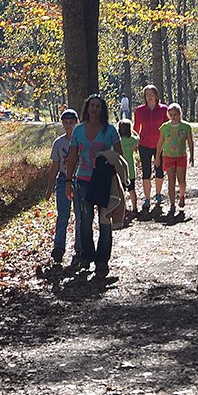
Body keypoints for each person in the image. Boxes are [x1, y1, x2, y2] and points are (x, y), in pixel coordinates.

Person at [65, 94, 123, 278]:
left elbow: (119, 157)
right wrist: (68, 181)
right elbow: (73, 156)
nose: (95, 109)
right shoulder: (78, 131)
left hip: (104, 181)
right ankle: (87, 256)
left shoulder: (110, 130)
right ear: (87, 108)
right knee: (85, 220)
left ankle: (102, 260)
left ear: (102, 109)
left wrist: (122, 181)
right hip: (83, 180)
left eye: (98, 106)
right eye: (92, 106)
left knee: (104, 221)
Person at [45, 108, 78, 264]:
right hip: (63, 179)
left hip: (79, 180)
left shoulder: (82, 140)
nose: (69, 126)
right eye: (66, 123)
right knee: (63, 215)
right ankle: (59, 247)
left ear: (77, 123)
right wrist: (50, 187)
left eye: (71, 123)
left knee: (80, 216)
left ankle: (81, 247)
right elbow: (55, 166)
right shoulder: (59, 143)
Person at [133, 84, 168, 214]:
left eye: (152, 93)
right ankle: (147, 198)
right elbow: (136, 128)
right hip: (144, 144)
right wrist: (134, 143)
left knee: (159, 170)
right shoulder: (139, 110)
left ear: (156, 95)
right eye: (147, 94)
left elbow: (168, 127)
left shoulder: (164, 109)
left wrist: (168, 142)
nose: (149, 96)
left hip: (160, 145)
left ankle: (158, 194)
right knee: (146, 172)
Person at [156, 103, 194, 217]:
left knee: (181, 180)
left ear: (179, 114)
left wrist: (192, 155)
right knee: (171, 181)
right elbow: (160, 143)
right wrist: (157, 156)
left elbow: (190, 142)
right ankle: (172, 204)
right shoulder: (164, 127)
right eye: (171, 114)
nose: (173, 117)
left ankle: (182, 196)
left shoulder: (186, 127)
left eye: (175, 114)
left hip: (181, 156)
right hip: (168, 156)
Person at [118, 118, 140, 218]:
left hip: (120, 170)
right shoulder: (132, 140)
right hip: (130, 170)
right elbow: (138, 137)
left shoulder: (117, 141)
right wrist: (133, 131)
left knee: (121, 191)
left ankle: (124, 209)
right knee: (132, 190)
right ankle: (135, 208)